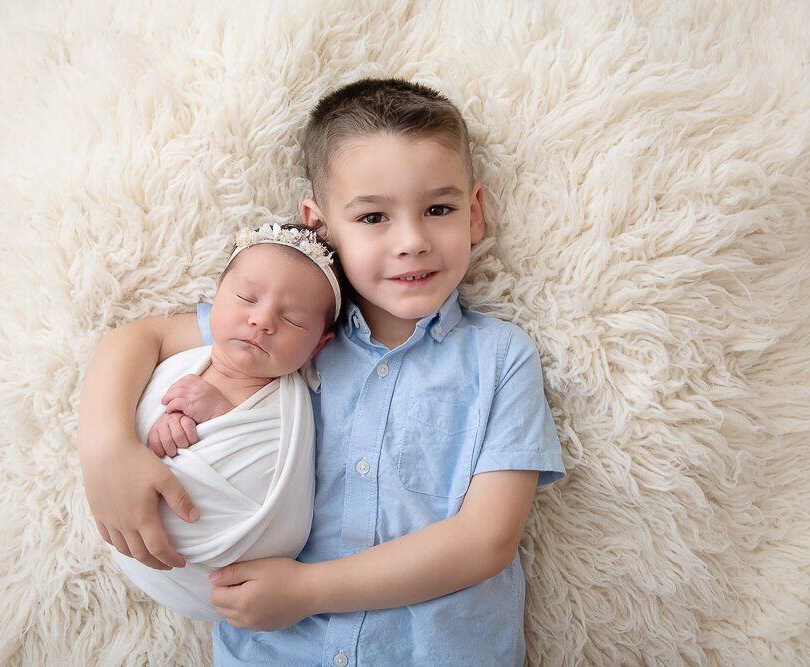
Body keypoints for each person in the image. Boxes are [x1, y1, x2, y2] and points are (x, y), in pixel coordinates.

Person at [77, 78, 565, 665]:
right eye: (373, 216)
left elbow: (485, 540)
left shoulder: (499, 357)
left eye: (439, 209)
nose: (411, 241)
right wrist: (105, 449)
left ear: (475, 213)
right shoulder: (288, 331)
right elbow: (138, 338)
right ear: (321, 227)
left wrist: (307, 591)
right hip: (277, 650)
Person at [81, 223, 342, 622]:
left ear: (318, 346)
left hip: (244, 583)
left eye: (292, 320)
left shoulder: (303, 387)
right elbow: (131, 342)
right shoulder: (191, 351)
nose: (262, 320)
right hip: (122, 521)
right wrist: (117, 445)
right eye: (245, 297)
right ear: (216, 298)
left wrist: (217, 411)